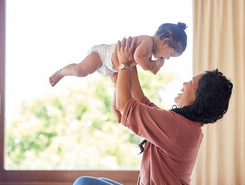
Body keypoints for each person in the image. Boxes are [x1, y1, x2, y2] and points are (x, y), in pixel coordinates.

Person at [71, 37, 233, 185]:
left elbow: (125, 106)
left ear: (200, 97)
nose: (185, 84)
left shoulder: (178, 127)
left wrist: (124, 65)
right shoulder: (184, 125)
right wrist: (131, 63)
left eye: (191, 83)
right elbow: (142, 101)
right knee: (101, 182)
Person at [50, 22, 187, 123]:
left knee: (120, 87)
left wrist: (154, 64)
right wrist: (153, 67)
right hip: (102, 56)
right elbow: (138, 58)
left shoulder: (150, 51)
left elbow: (137, 62)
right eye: (171, 54)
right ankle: (61, 72)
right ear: (165, 41)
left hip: (113, 68)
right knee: (80, 71)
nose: (168, 58)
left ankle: (115, 109)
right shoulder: (147, 41)